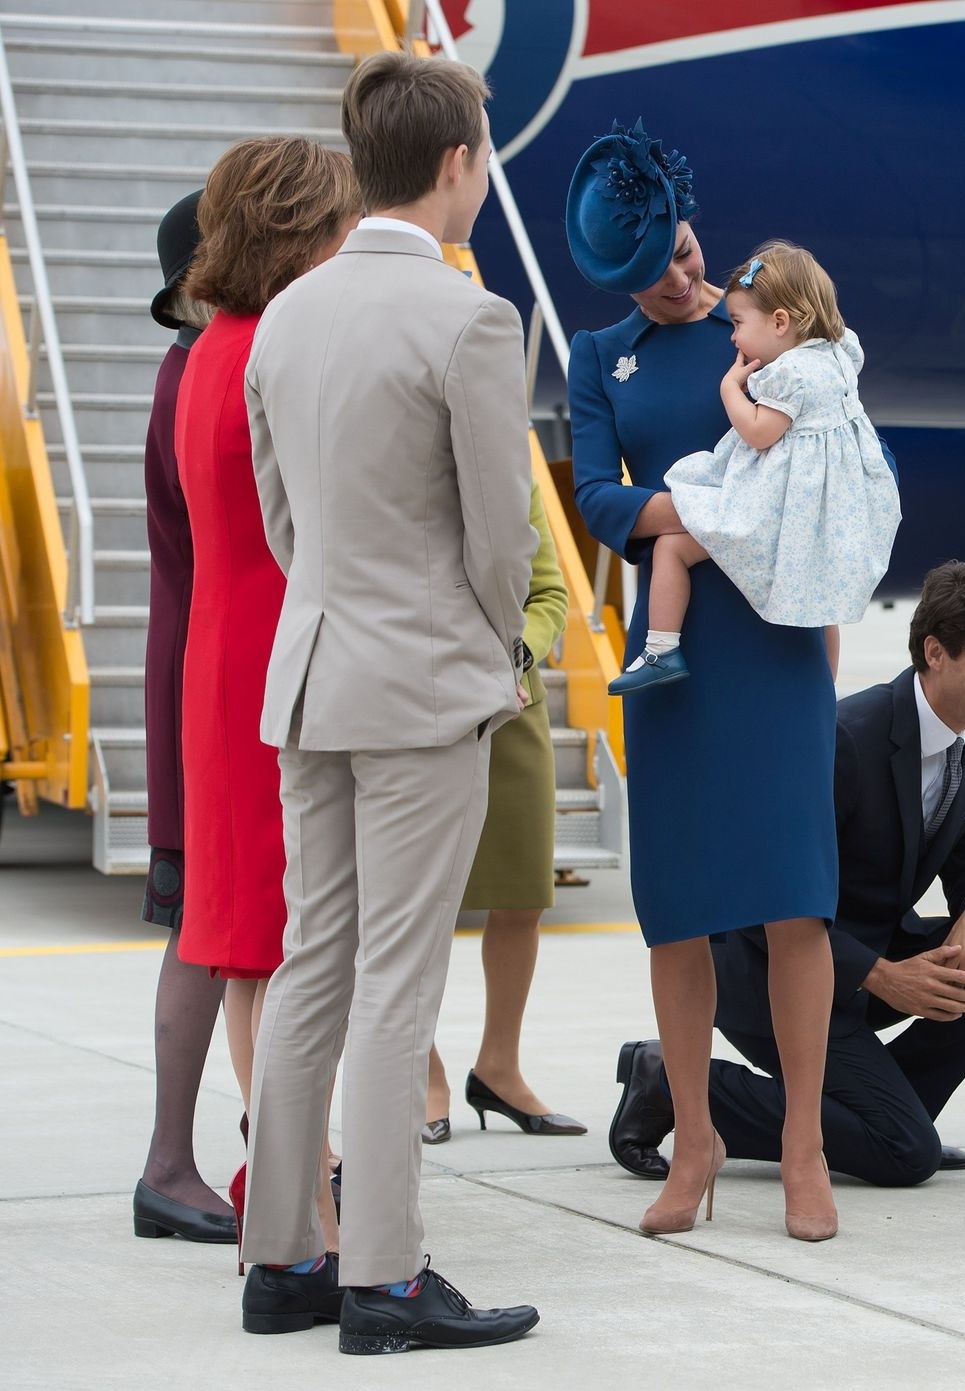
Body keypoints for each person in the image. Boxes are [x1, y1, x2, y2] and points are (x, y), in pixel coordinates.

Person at [237, 52, 538, 1353]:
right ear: (459, 162)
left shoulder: (286, 315)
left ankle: (281, 1257)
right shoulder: (469, 319)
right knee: (396, 984)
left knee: (313, 962)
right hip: (421, 686)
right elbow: (498, 539)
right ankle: (385, 1275)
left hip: (312, 674)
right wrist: (497, 655)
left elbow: (279, 518)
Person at [566, 119, 840, 1240]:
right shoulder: (598, 358)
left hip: (776, 638)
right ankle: (693, 1136)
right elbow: (591, 494)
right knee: (674, 910)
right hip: (673, 651)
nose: (687, 280)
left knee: (794, 901)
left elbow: (831, 462)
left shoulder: (776, 328)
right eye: (662, 273)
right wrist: (686, 514)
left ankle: (804, 1144)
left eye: (688, 253)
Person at [608, 563, 965, 1189]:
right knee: (903, 1156)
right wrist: (883, 977)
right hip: (774, 979)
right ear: (935, 653)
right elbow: (759, 903)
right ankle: (669, 1081)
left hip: (869, 966)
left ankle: (889, 1117)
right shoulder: (843, 740)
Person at [175, 138, 359, 1259]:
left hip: (227, 650)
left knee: (255, 942)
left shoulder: (211, 349)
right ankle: (310, 1200)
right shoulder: (273, 352)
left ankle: (291, 1192)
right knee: (289, 943)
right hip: (277, 658)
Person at [610, 238, 899, 693]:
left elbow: (761, 432)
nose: (732, 335)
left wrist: (730, 388)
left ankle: (660, 648)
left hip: (773, 502)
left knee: (672, 547)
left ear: (780, 322)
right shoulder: (840, 354)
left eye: (740, 323)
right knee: (822, 609)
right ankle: (823, 688)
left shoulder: (791, 372)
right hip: (820, 506)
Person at [132, 189, 237, 1246]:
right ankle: (169, 1160)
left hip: (194, 661)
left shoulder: (185, 371)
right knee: (206, 923)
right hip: (203, 673)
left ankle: (182, 1156)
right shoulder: (199, 376)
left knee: (207, 922)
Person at [424, 482, 585, 1142]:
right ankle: (422, 1073)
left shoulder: (509, 477)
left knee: (522, 894)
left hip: (511, 701)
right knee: (419, 904)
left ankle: (498, 1066)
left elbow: (550, 594)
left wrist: (516, 653)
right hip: (424, 701)